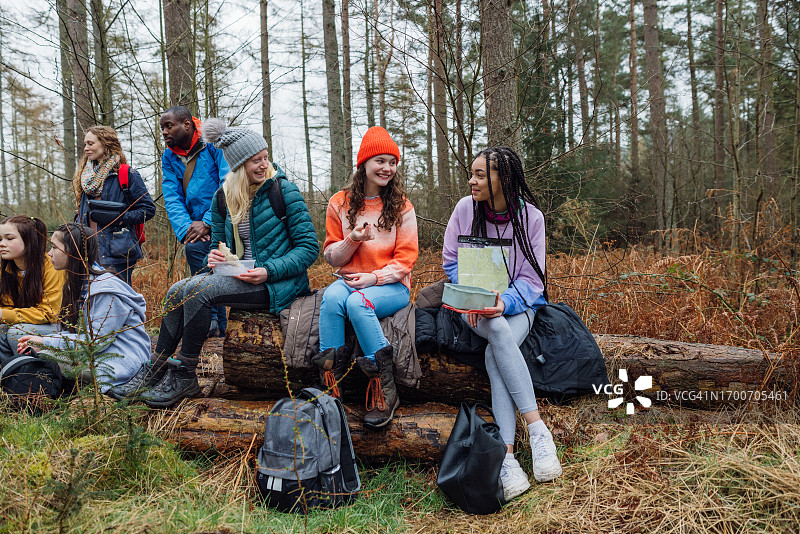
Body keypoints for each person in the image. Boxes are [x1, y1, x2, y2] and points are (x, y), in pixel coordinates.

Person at [111, 119, 319, 408]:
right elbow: (218, 247)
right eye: (254, 161)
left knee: (200, 291)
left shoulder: (283, 191)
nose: (263, 165)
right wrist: (215, 258)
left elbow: (309, 249)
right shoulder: (223, 198)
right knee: (177, 290)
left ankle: (185, 375)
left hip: (279, 285)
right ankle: (154, 370)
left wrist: (268, 271)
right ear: (237, 165)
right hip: (242, 277)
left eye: (264, 157)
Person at [442, 146, 562, 502]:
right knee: (495, 331)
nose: (472, 180)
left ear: (502, 180)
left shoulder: (532, 219)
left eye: (480, 175)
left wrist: (503, 302)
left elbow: (532, 281)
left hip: (518, 308)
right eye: (472, 173)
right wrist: (473, 297)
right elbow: (451, 261)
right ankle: (538, 428)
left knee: (498, 351)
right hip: (475, 311)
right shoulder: (465, 209)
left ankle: (508, 458)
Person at [312, 126, 419, 429]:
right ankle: (331, 388)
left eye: (392, 162)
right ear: (364, 164)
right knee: (331, 299)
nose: (387, 168)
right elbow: (331, 256)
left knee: (359, 305)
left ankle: (383, 389)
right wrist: (353, 240)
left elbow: (407, 259)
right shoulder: (340, 203)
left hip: (391, 285)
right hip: (348, 281)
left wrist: (374, 278)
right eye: (380, 161)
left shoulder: (402, 207)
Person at [17, 223, 150, 392]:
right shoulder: (78, 284)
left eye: (54, 247)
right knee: (37, 357)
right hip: (97, 356)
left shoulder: (105, 291)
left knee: (44, 363)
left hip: (120, 364)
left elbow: (95, 343)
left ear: (73, 251)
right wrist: (42, 345)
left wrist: (45, 342)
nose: (49, 253)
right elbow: (77, 333)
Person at [160, 106, 230, 337]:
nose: (164, 132)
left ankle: (212, 320)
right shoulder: (169, 156)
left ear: (187, 125)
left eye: (169, 126)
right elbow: (172, 197)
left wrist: (209, 222)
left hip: (224, 219)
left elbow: (227, 183)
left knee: (212, 260)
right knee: (196, 249)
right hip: (194, 226)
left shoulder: (213, 145)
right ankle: (213, 323)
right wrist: (188, 229)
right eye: (162, 127)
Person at [74, 126, 156, 285]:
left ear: (105, 144)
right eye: (85, 144)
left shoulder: (127, 174)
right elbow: (82, 211)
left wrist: (119, 219)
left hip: (117, 253)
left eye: (90, 144)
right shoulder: (86, 177)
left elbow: (148, 210)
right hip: (88, 252)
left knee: (119, 301)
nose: (86, 148)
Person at [0, 216, 63, 364]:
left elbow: (50, 313)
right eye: (0, 239)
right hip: (27, 322)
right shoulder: (7, 269)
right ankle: (11, 377)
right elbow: (7, 306)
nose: (2, 244)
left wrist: (4, 314)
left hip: (60, 326)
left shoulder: (50, 266)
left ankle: (38, 375)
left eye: (9, 239)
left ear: (29, 240)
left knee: (17, 333)